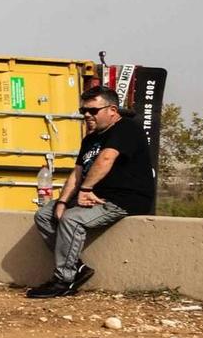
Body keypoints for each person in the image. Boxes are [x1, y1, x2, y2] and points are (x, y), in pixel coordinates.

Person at [27, 86, 155, 298]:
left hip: (123, 198)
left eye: (92, 110)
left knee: (72, 219)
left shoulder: (127, 128)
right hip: (94, 197)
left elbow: (106, 159)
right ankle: (76, 268)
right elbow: (77, 173)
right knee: (44, 215)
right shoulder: (90, 138)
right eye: (83, 111)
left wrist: (85, 190)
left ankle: (63, 281)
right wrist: (62, 201)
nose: (87, 115)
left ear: (112, 110)